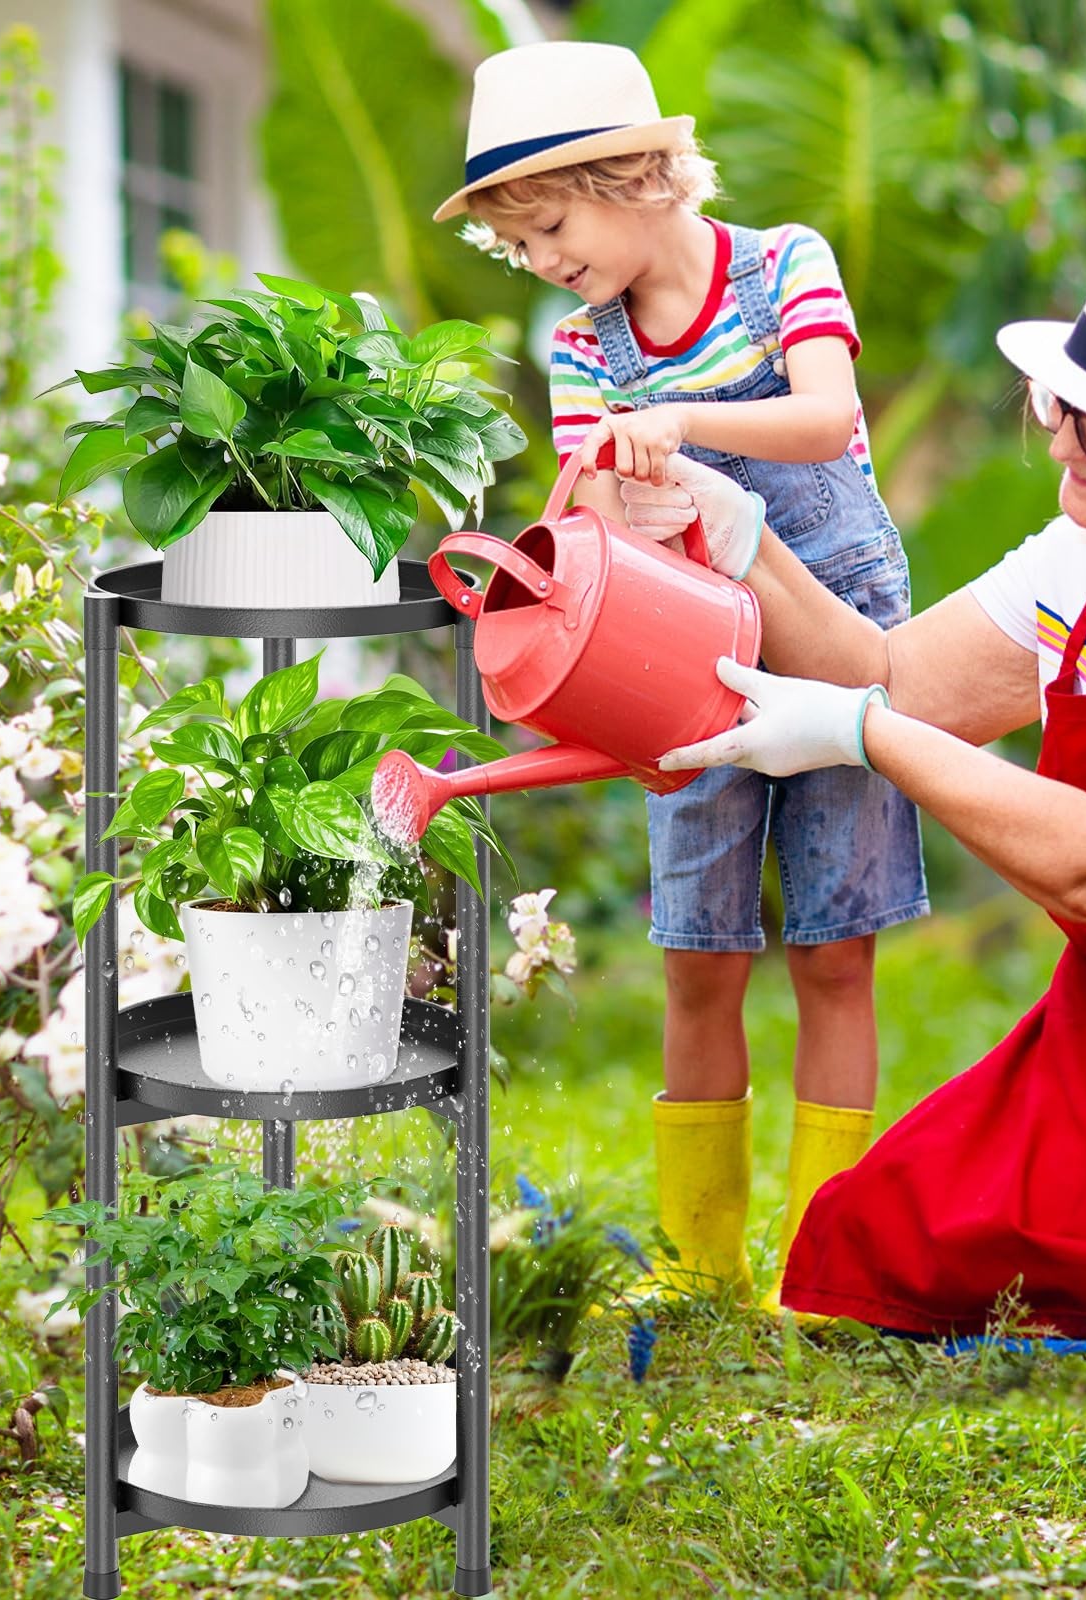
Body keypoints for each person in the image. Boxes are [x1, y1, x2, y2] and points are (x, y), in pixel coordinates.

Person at [627, 222, 1086, 1337]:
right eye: (1062, 404)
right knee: (876, 1239)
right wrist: (745, 543)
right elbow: (895, 676)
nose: (1065, 441)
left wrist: (860, 737)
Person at [435, 40, 927, 1310]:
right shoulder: (584, 349)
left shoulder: (781, 269)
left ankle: (833, 1268)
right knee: (699, 951)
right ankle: (697, 1265)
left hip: (839, 626)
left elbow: (824, 419)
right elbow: (593, 513)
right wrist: (617, 476)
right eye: (520, 246)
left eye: (549, 225)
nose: (543, 262)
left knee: (835, 948)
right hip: (680, 650)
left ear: (640, 175)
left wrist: (686, 423)